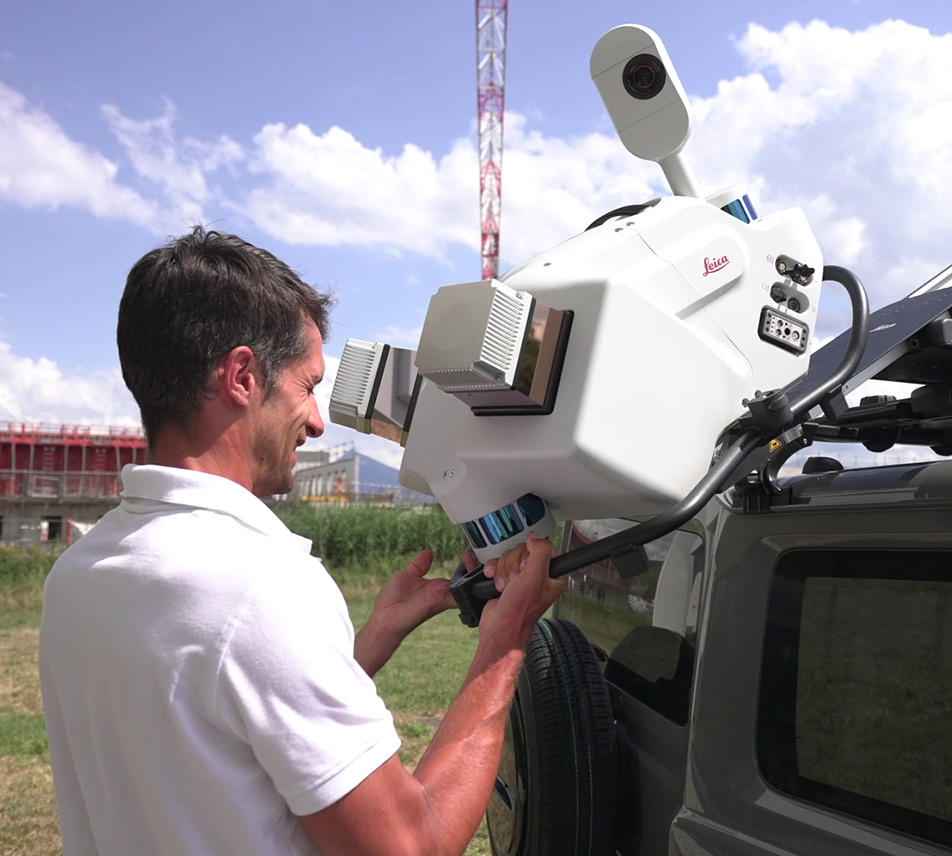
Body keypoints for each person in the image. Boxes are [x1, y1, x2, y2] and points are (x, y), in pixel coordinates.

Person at [38, 226, 565, 856]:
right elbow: (412, 842)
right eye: (308, 386)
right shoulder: (257, 588)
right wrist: (506, 645)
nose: (317, 421)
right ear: (242, 376)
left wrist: (372, 638)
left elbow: (220, 718)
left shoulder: (80, 572)